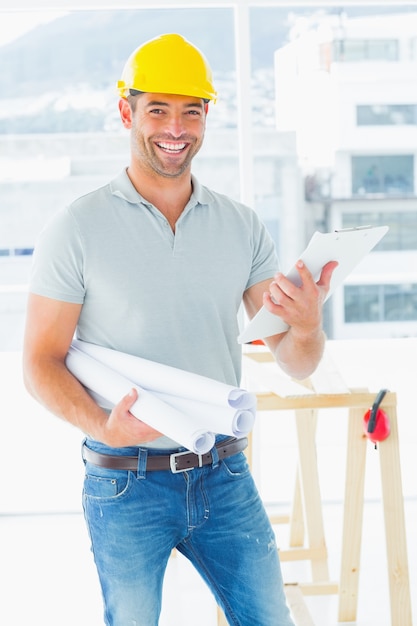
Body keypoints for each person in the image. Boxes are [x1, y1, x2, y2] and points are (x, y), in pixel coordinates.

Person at [23, 33, 336, 626]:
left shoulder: (241, 227)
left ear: (206, 118)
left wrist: (307, 325)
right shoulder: (77, 227)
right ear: (127, 112)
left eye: (191, 111)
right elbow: (39, 362)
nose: (176, 127)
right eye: (158, 110)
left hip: (223, 474)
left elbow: (296, 361)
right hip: (124, 483)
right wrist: (103, 426)